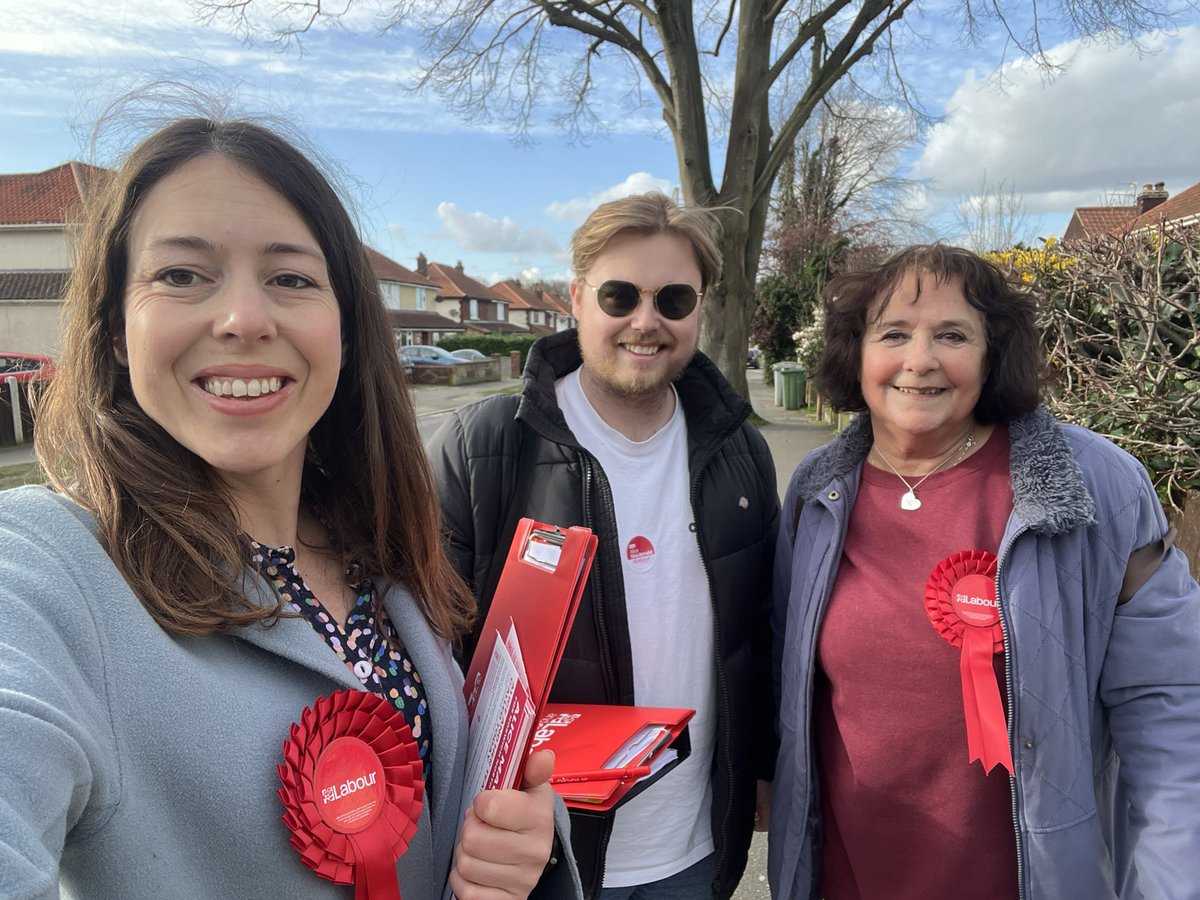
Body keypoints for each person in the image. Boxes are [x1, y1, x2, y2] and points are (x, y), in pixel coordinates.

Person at [0, 117, 582, 900]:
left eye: (292, 278)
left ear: (344, 328)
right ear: (113, 332)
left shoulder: (378, 550)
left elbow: (456, 806)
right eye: (181, 275)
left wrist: (522, 847)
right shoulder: (44, 572)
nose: (244, 317)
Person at [768, 244, 1200, 899]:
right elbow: (787, 680)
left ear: (993, 353)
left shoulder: (1099, 486)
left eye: (952, 335)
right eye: (893, 334)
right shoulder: (816, 491)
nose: (920, 361)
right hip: (846, 878)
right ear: (855, 353)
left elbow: (1170, 705)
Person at [428, 192, 779, 899]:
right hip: (534, 859)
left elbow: (762, 629)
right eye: (621, 295)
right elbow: (428, 649)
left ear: (700, 308)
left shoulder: (740, 450)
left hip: (694, 851)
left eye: (674, 299)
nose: (646, 321)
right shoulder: (484, 445)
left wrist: (763, 767)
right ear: (578, 297)